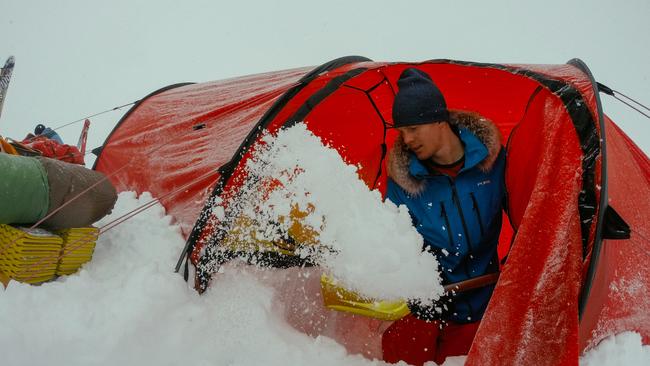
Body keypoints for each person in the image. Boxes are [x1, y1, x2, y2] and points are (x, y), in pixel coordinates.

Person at [382, 68, 506, 365]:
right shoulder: (403, 185)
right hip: (430, 312)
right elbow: (392, 247)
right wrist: (420, 294)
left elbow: (533, 219)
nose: (406, 139)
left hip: (489, 307)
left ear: (439, 120)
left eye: (413, 128)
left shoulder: (496, 162)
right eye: (401, 131)